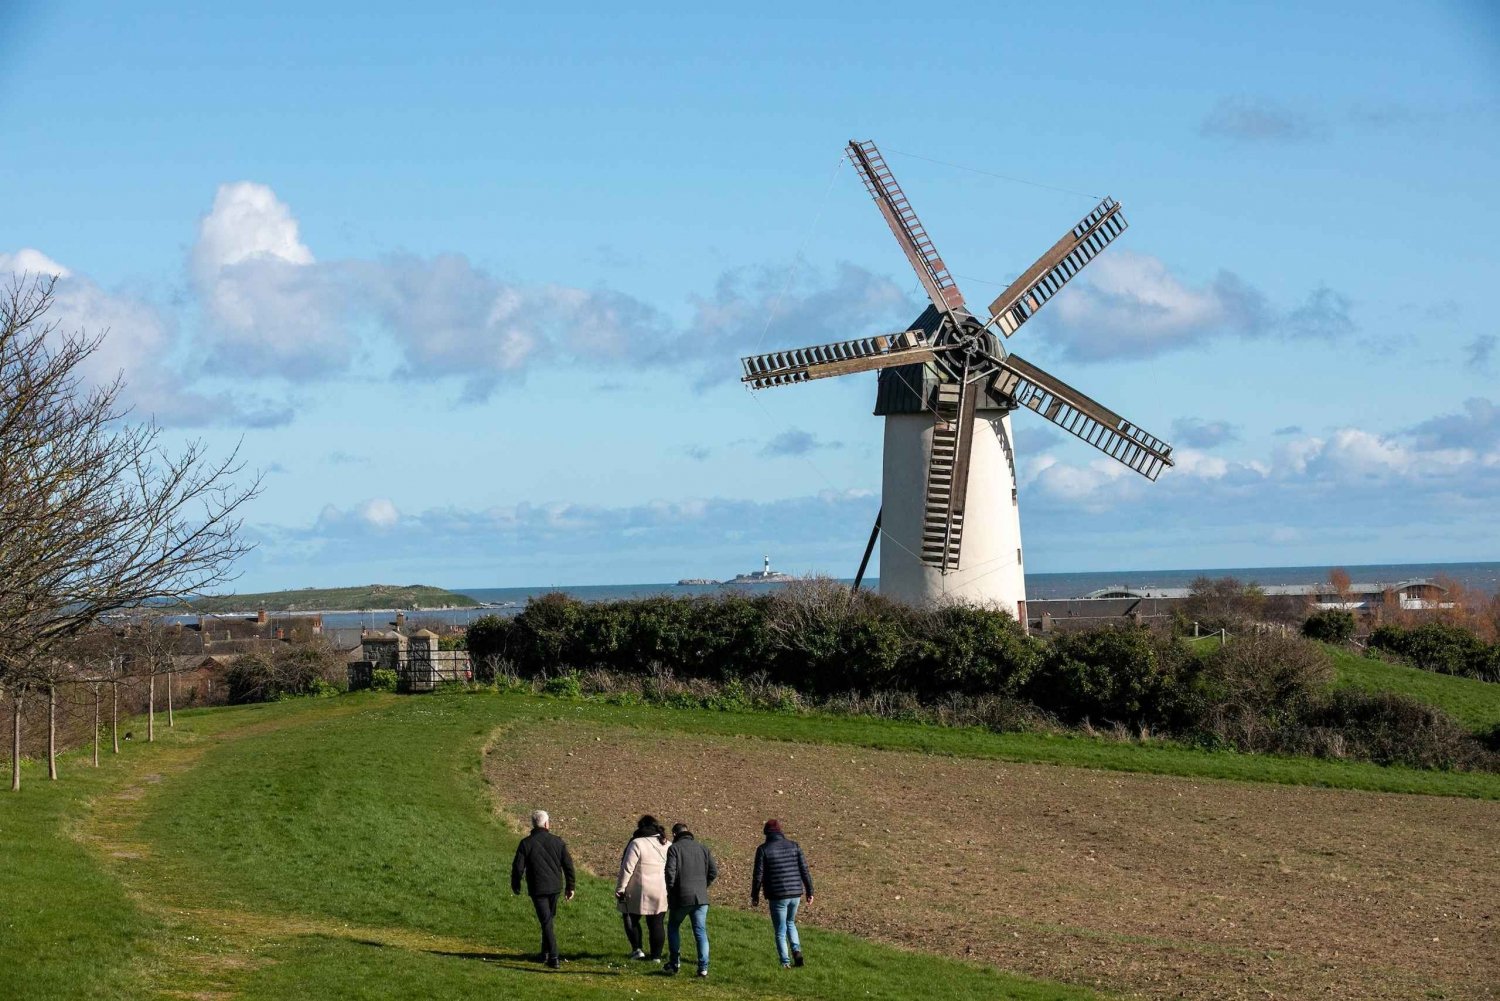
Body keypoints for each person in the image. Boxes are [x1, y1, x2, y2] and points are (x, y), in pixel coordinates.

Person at [510, 809, 576, 969]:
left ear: (533, 824)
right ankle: (545, 953)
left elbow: (518, 867)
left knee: (546, 921)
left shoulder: (526, 843)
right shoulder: (558, 842)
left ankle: (553, 957)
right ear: (546, 824)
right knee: (548, 920)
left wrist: (516, 884)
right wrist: (570, 886)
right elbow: (568, 866)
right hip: (555, 887)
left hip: (537, 887)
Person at [750, 818, 814, 968]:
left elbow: (758, 875)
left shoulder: (763, 849)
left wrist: (755, 895)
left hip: (777, 895)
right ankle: (796, 951)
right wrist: (809, 891)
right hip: (795, 893)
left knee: (780, 929)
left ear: (766, 833)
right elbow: (804, 870)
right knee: (790, 922)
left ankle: (785, 963)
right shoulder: (794, 846)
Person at [663, 821, 718, 977]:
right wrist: (703, 886)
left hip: (681, 897)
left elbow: (670, 873)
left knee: (673, 927)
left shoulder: (674, 848)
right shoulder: (703, 848)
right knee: (700, 932)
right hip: (701, 898)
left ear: (675, 834)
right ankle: (703, 968)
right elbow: (713, 871)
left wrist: (671, 891)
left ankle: (674, 963)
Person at [615, 814, 670, 961]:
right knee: (656, 923)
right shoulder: (667, 844)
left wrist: (620, 888)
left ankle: (637, 949)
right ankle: (656, 956)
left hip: (638, 890)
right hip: (661, 890)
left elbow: (627, 868)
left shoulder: (637, 843)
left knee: (630, 917)